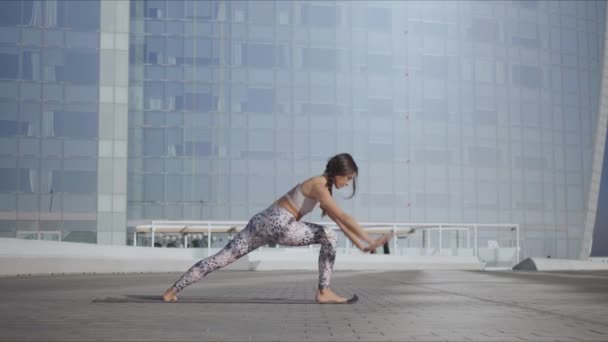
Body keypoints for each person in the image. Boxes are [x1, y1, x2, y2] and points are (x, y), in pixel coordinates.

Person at [162, 153, 393, 304]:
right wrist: (368, 238)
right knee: (329, 236)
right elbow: (343, 217)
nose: (348, 183)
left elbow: (339, 221)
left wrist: (363, 245)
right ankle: (324, 291)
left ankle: (172, 291)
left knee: (220, 259)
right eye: (349, 178)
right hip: (280, 222)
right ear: (339, 173)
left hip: (260, 222)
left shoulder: (321, 185)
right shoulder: (319, 185)